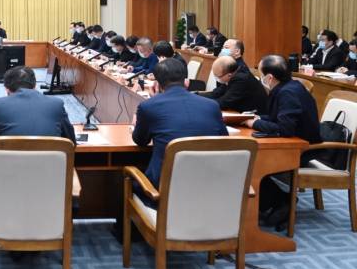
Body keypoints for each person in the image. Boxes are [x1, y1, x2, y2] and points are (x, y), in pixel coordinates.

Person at [132, 58, 228, 207]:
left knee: (129, 179)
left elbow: (140, 141)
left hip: (162, 196)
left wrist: (140, 120)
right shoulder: (212, 105)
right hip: (209, 190)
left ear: (156, 84)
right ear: (187, 82)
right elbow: (224, 141)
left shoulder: (148, 107)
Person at [242, 55, 322, 226]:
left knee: (250, 162)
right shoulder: (287, 86)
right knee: (247, 160)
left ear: (270, 77)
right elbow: (276, 118)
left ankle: (280, 202)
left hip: (302, 150)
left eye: (261, 74)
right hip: (293, 143)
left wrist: (255, 123)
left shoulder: (288, 93)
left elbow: (285, 129)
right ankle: (272, 202)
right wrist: (256, 118)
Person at [0, 66, 76, 146]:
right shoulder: (56, 104)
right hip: (50, 164)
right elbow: (71, 143)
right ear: (35, 86)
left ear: (6, 89)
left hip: (10, 164)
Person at [201, 56, 268, 114]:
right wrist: (196, 95)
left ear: (229, 75)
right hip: (238, 111)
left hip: (254, 116)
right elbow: (216, 93)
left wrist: (201, 102)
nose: (216, 79)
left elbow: (224, 103)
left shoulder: (241, 79)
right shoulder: (234, 72)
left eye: (218, 76)